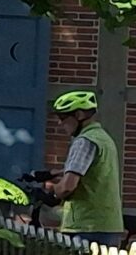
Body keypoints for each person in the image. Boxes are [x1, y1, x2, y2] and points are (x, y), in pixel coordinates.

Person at [45, 89, 125, 244]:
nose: (60, 123)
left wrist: (53, 192)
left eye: (63, 117)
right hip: (108, 225)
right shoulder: (104, 138)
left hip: (86, 225)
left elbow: (67, 186)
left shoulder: (84, 141)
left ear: (79, 115)